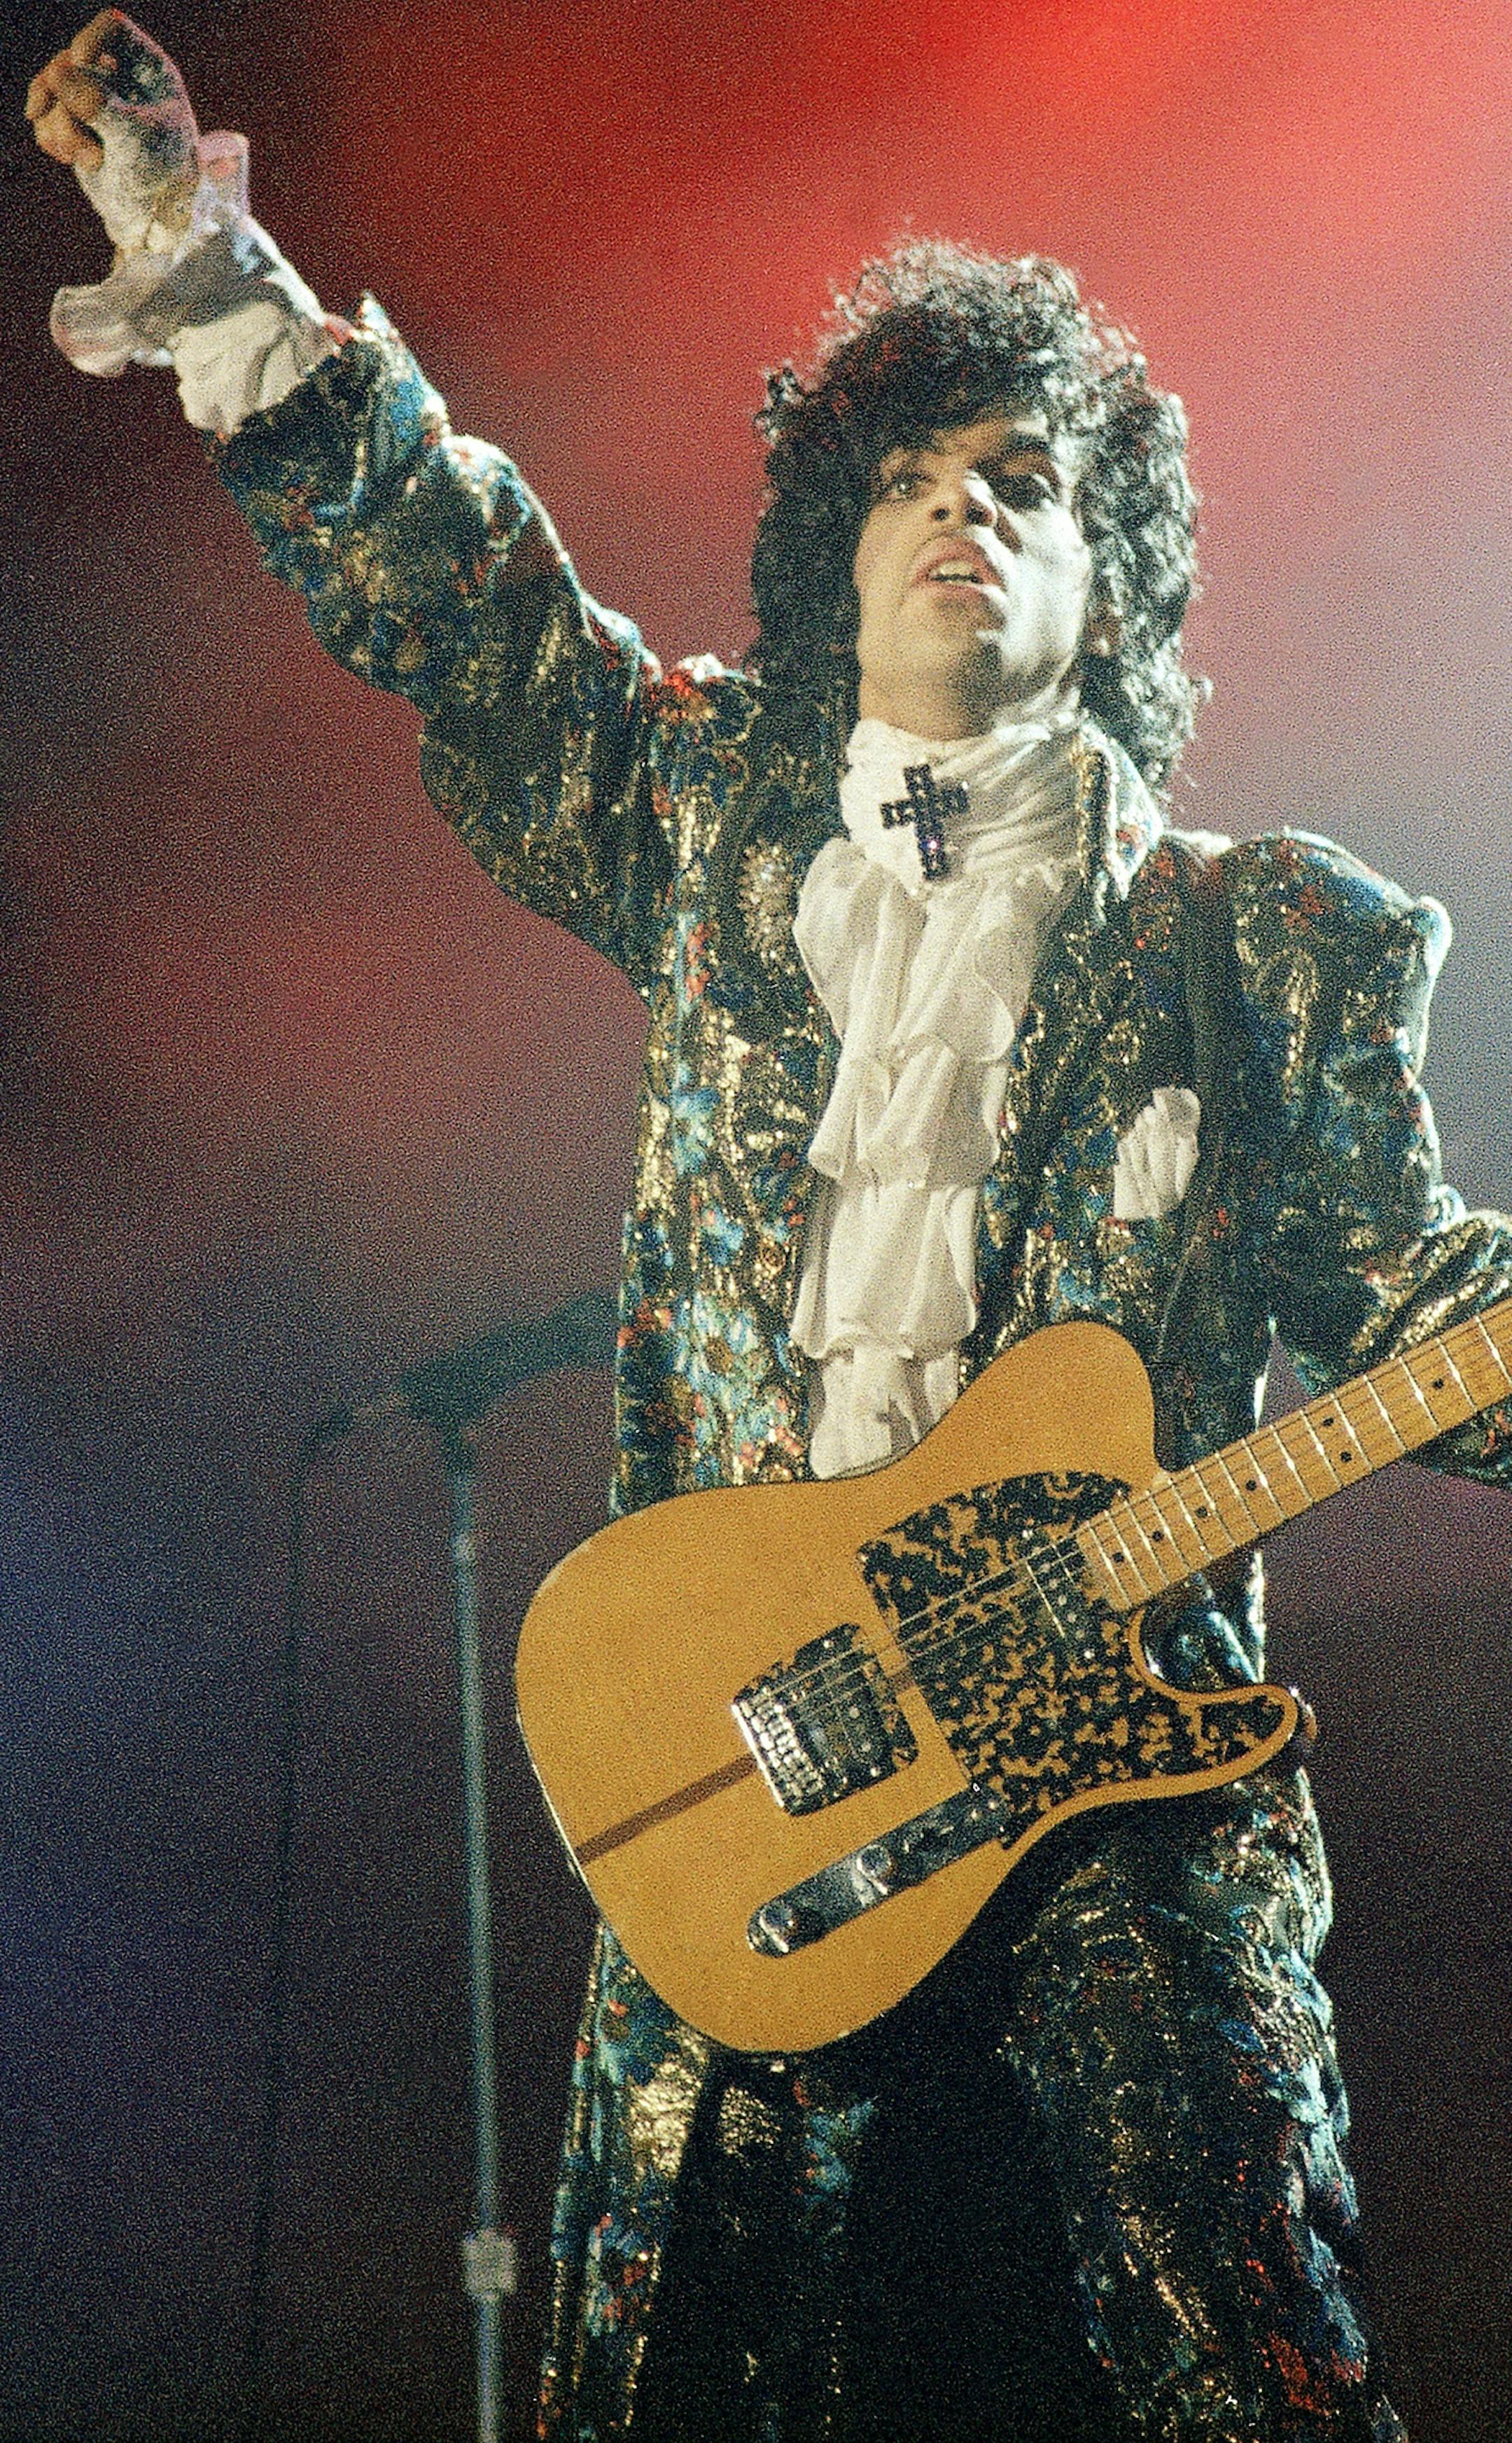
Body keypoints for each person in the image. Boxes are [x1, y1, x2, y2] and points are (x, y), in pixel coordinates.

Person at [29, 18, 1512, 2440]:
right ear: (835, 551)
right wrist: (210, 269)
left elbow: (1413, 1290)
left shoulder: (1272, 944)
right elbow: (467, 609)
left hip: (1119, 1807)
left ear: (1105, 571)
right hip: (757, 1764)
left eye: (1028, 483)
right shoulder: (720, 826)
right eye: (910, 477)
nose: (966, 513)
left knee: (1242, 2366)